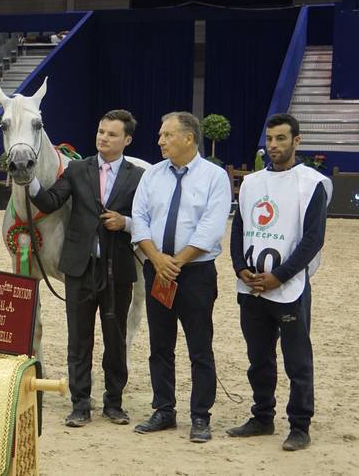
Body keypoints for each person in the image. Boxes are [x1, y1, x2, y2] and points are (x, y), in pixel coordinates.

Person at [28, 110, 145, 427]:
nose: (103, 138)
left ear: (127, 140)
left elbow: (149, 222)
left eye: (111, 134)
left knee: (115, 337)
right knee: (78, 340)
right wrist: (29, 180)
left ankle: (114, 403)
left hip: (117, 269)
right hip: (80, 268)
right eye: (100, 131)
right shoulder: (77, 170)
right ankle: (80, 404)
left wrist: (126, 223)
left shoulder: (137, 176)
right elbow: (51, 201)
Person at [227, 114, 330, 452]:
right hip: (252, 286)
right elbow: (240, 228)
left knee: (297, 359)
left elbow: (313, 239)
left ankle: (300, 425)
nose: (273, 145)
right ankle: (262, 416)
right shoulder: (253, 182)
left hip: (288, 289)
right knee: (258, 358)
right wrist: (241, 268)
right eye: (270, 139)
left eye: (281, 139)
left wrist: (279, 276)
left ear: (296, 141)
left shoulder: (311, 183)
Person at [131, 111, 232, 443]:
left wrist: (177, 261)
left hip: (196, 274)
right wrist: (157, 259)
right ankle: (164, 410)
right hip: (157, 269)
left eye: (166, 135)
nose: (160, 140)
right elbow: (140, 217)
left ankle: (200, 416)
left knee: (199, 346)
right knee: (160, 345)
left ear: (188, 138)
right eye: (161, 135)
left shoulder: (215, 177)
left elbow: (212, 227)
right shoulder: (152, 175)